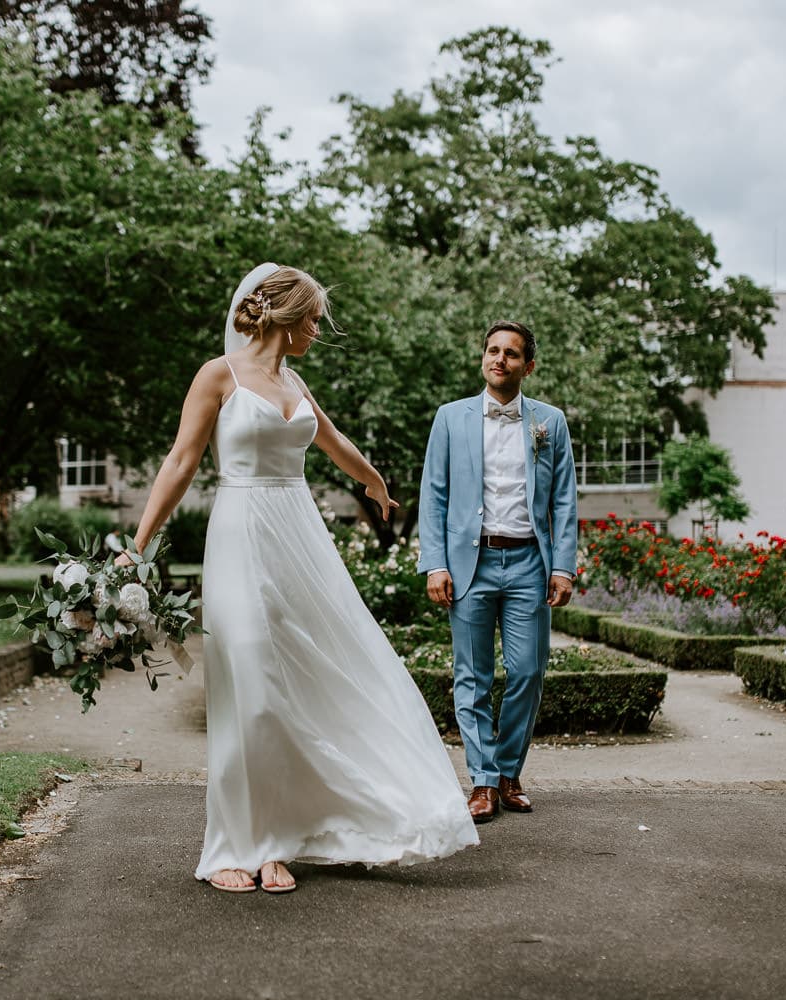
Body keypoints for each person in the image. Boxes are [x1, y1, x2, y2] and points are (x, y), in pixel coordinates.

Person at [122, 263, 478, 894]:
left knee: (307, 679)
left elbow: (332, 440)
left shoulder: (295, 379)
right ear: (284, 316)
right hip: (241, 533)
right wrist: (137, 546)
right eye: (313, 319)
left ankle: (279, 840)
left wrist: (374, 481)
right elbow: (180, 461)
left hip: (300, 538)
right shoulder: (218, 375)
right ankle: (236, 844)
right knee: (251, 684)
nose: (318, 330)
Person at [416, 321, 579, 823]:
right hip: (471, 564)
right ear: (483, 358)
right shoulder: (451, 418)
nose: (499, 359)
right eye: (492, 350)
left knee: (528, 671)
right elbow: (434, 494)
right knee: (472, 676)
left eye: (511, 353)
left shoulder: (550, 422)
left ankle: (509, 772)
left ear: (528, 366)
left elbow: (564, 499)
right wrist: (435, 563)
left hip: (530, 562)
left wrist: (563, 567)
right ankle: (484, 781)